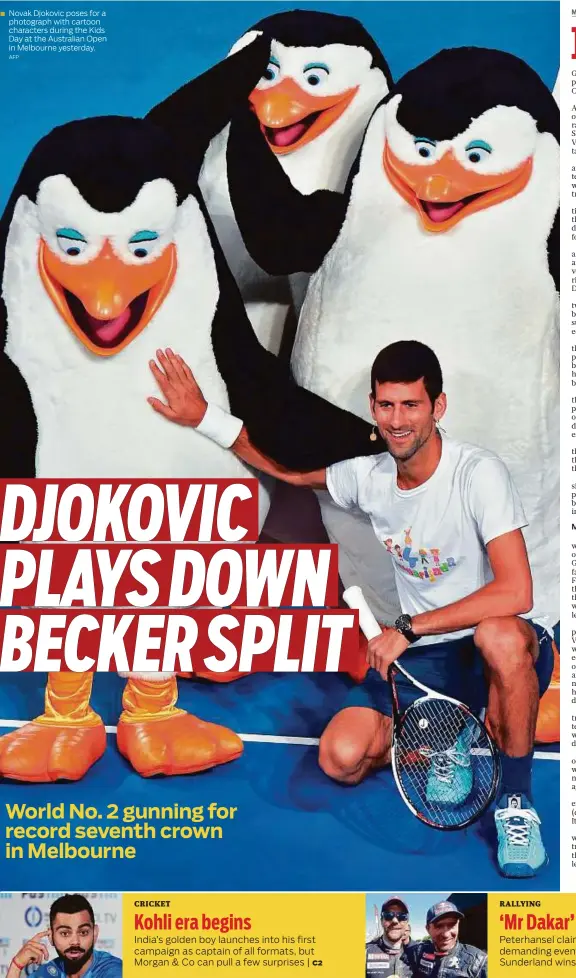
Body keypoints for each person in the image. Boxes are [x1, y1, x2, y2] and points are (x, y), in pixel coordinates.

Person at [147, 341, 555, 878]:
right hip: (424, 664)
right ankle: (439, 734)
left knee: (498, 636)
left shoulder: (477, 474)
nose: (398, 420)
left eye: (411, 405)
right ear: (372, 406)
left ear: (438, 407)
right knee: (339, 757)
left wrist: (408, 628)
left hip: (495, 651)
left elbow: (516, 592)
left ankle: (516, 802)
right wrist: (205, 418)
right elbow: (288, 472)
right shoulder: (369, 477)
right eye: (386, 406)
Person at [7, 895, 122, 978]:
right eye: (65, 933)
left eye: (83, 932)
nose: (75, 942)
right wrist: (16, 966)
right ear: (51, 936)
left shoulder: (112, 970)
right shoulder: (48, 972)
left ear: (95, 933)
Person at [403, 902, 487, 978]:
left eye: (452, 925)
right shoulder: (418, 952)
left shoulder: (479, 961)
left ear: (458, 924)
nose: (446, 934)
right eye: (439, 926)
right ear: (428, 929)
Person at [366, 898, 413, 977]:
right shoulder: (365, 952)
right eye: (388, 915)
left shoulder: (417, 954)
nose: (395, 920)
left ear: (407, 923)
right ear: (381, 921)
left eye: (402, 916)